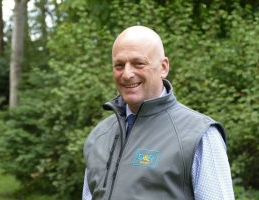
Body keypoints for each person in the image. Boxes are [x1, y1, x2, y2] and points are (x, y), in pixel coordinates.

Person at [82, 25, 235, 200]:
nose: (127, 74)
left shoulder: (199, 135)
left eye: (138, 63)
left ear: (163, 67)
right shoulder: (99, 136)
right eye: (119, 65)